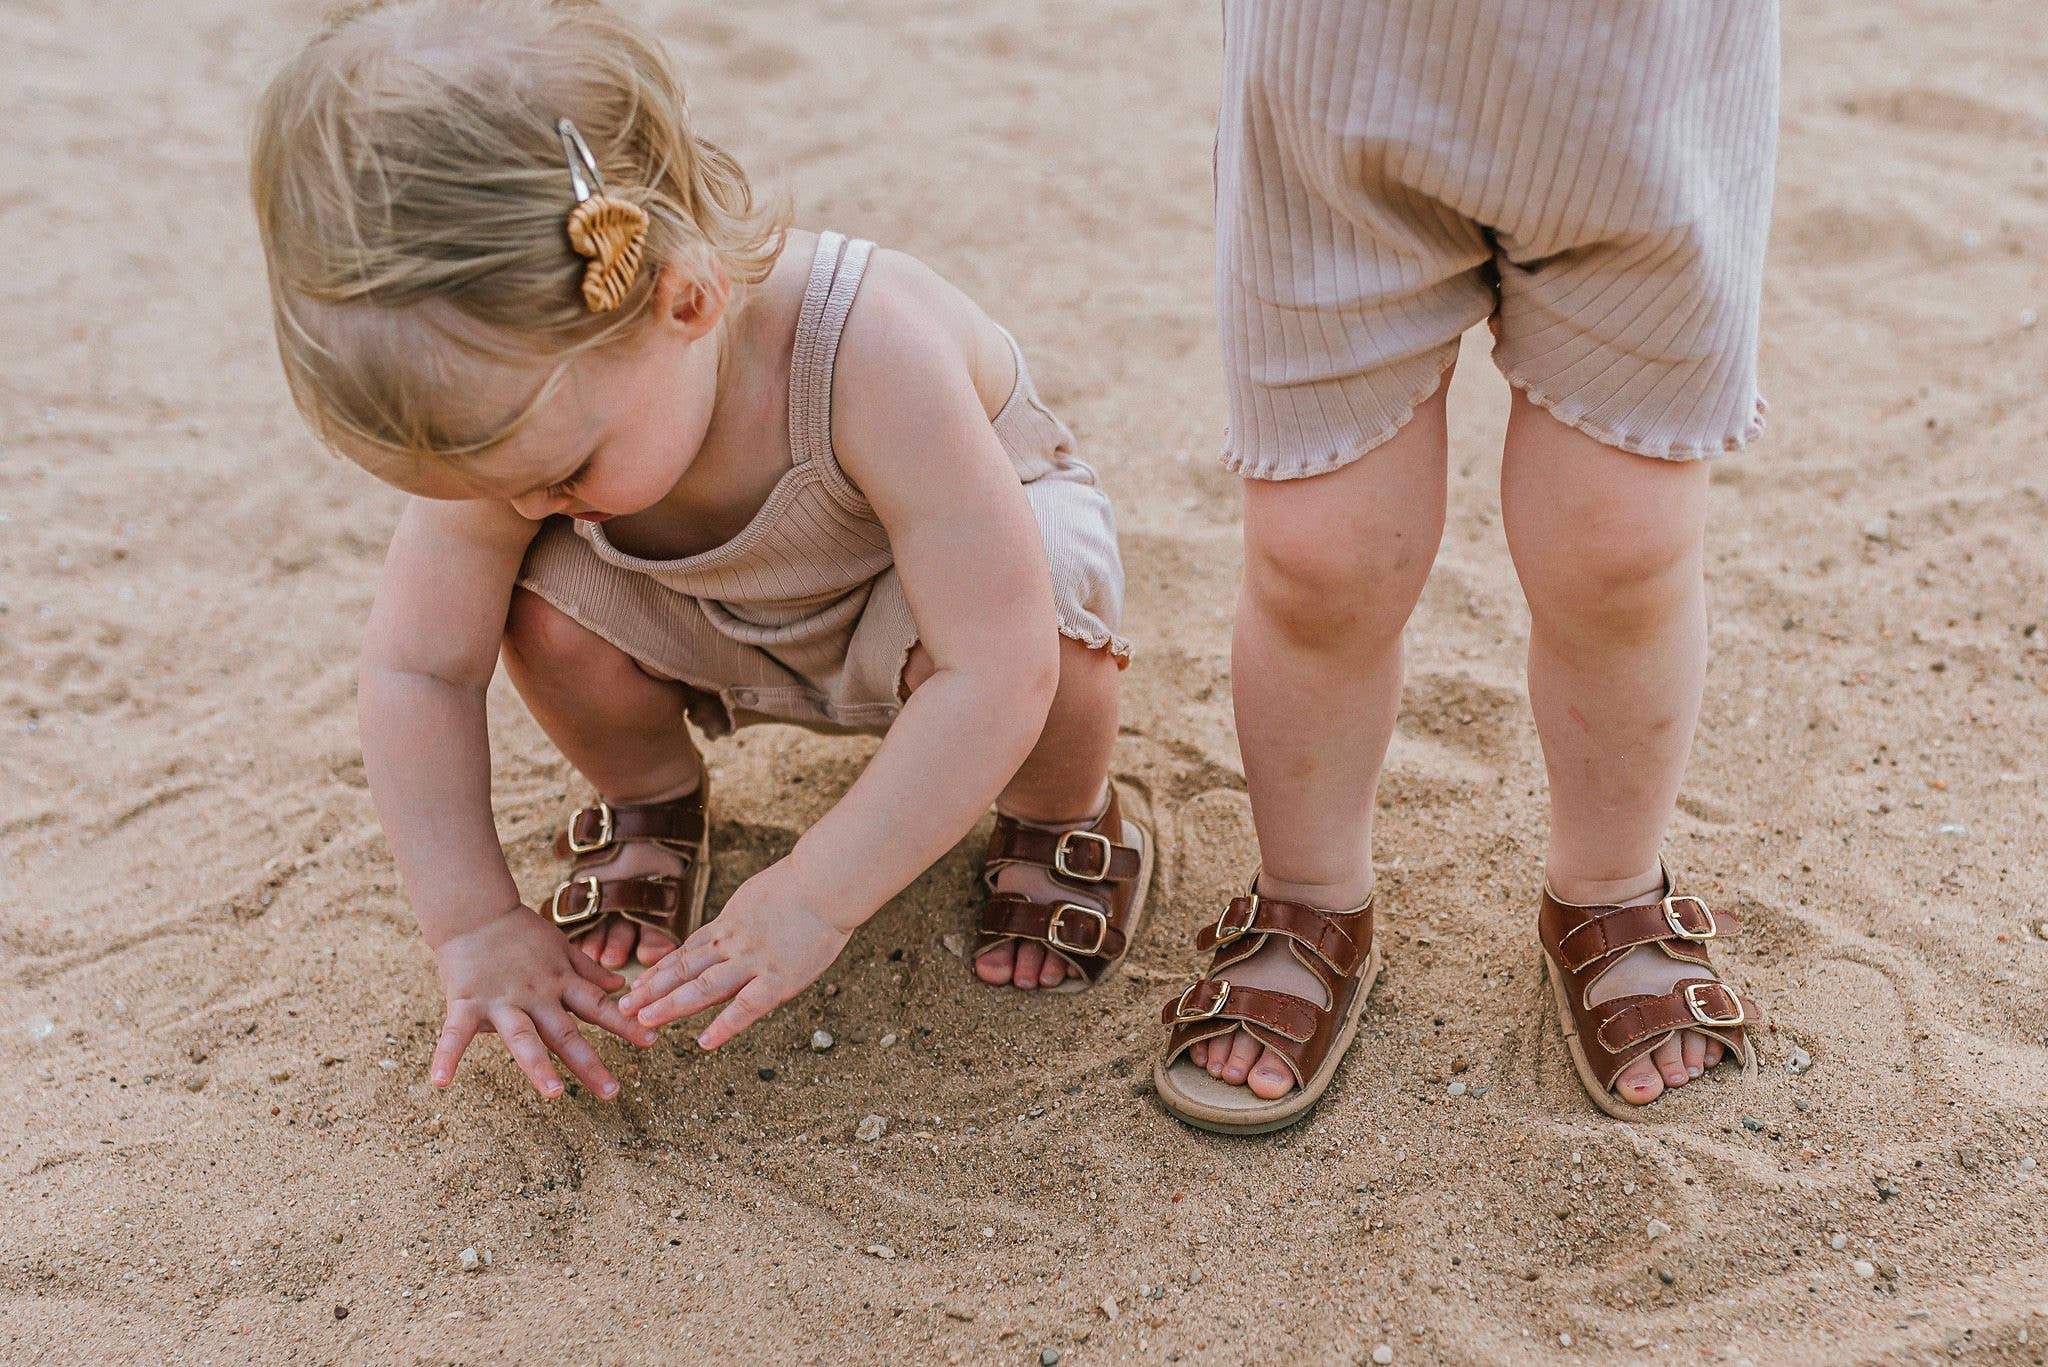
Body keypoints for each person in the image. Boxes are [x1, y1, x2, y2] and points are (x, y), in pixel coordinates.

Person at [249, 0, 1151, 1102]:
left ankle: (1061, 815)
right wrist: (473, 920)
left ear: (685, 299)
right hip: (709, 618)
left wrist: (816, 891)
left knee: (1052, 614)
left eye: (560, 473)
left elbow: (995, 663)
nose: (526, 502)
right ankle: (652, 799)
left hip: (935, 609)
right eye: (487, 487)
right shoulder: (526, 410)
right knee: (537, 607)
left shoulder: (866, 347)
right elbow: (418, 666)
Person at [1154, 0, 1776, 1133]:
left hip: (1645, 92)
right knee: (1316, 557)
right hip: (1336, 88)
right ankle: (1306, 888)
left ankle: (1605, 883)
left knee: (1620, 548)